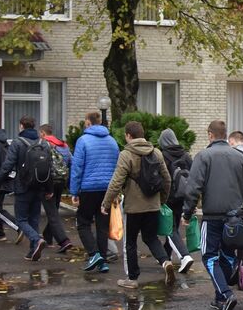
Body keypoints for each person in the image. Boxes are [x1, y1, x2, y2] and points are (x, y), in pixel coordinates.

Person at [184, 119, 243, 310]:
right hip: (235, 217)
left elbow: (193, 187)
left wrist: (187, 212)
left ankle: (226, 294)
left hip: (212, 216)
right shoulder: (240, 157)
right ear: (225, 134)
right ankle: (220, 296)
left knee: (209, 255)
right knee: (228, 254)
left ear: (210, 134)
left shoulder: (203, 156)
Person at [102, 120, 171, 288]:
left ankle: (132, 279)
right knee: (151, 238)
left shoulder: (126, 154)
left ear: (128, 135)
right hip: (153, 205)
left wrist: (106, 203)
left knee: (131, 242)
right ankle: (165, 262)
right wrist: (161, 200)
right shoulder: (156, 153)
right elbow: (167, 179)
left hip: (134, 207)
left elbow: (116, 182)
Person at [70, 111, 120, 272]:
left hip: (88, 188)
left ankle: (94, 254)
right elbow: (117, 168)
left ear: (88, 123)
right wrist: (116, 191)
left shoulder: (83, 141)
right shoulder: (112, 141)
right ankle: (103, 261)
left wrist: (74, 191)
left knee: (83, 222)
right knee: (102, 225)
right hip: (107, 189)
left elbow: (77, 167)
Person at [0, 116, 51, 262]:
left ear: (21, 126)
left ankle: (36, 239)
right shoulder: (43, 143)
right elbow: (48, 168)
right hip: (39, 186)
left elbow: (7, 165)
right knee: (34, 218)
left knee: (21, 219)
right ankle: (33, 251)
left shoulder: (17, 143)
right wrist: (48, 189)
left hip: (23, 186)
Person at [157, 127, 197, 273]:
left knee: (169, 228)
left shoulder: (162, 155)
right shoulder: (186, 155)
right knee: (172, 226)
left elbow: (160, 177)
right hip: (183, 196)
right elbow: (193, 177)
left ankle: (184, 256)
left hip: (168, 197)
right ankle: (165, 255)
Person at [38, 123, 75, 253]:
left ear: (43, 133)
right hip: (61, 182)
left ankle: (63, 240)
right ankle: (48, 237)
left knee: (52, 212)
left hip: (49, 182)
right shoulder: (63, 145)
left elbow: (42, 165)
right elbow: (72, 163)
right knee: (54, 209)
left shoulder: (44, 144)